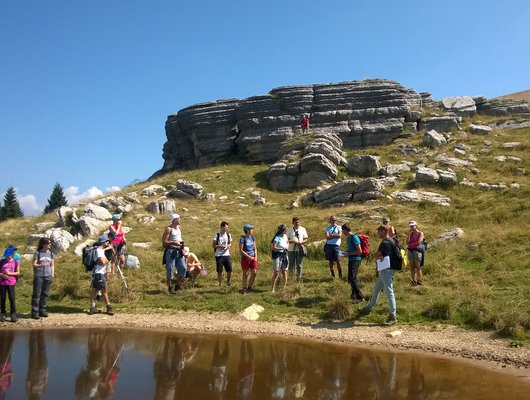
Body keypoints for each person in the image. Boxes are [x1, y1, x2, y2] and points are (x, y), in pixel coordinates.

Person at [358, 225, 398, 325]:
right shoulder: (392, 240)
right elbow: (387, 254)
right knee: (376, 289)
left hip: (386, 270)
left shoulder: (384, 242)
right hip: (389, 268)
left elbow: (377, 254)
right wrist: (380, 256)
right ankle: (368, 308)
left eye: (380, 231)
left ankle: (393, 316)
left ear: (385, 231)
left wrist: (378, 256)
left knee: (389, 291)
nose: (378, 233)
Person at [88, 235, 114, 315]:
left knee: (94, 289)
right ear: (103, 242)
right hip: (99, 273)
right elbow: (102, 262)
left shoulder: (100, 250)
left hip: (96, 273)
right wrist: (106, 260)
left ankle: (93, 307)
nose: (108, 243)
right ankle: (108, 307)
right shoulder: (99, 250)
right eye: (107, 241)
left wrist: (105, 260)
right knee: (104, 290)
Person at [162, 213, 187, 294]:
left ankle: (178, 285)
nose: (180, 220)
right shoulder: (169, 229)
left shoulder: (179, 228)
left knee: (183, 268)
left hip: (179, 250)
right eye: (178, 219)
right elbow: (164, 242)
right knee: (170, 269)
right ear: (174, 220)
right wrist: (174, 243)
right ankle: (170, 287)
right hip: (171, 251)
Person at [31, 237, 55, 320]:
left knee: (45, 294)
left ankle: (42, 310)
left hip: (48, 276)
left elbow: (52, 265)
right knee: (36, 294)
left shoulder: (51, 253)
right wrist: (40, 265)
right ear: (43, 244)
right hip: (39, 275)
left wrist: (52, 274)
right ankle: (35, 312)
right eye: (48, 243)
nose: (50, 245)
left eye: (50, 243)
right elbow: (33, 264)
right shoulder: (37, 253)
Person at [341, 224, 365, 304]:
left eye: (342, 230)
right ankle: (353, 295)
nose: (342, 232)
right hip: (351, 259)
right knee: (350, 278)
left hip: (356, 259)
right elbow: (351, 250)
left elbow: (359, 251)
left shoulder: (354, 237)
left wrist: (348, 254)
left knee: (352, 278)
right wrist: (346, 253)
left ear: (345, 230)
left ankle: (360, 296)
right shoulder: (349, 238)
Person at [0, 247, 19, 322]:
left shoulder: (16, 262)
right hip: (2, 282)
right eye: (6, 255)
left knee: (11, 298)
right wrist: (2, 275)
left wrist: (9, 273)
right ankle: (3, 313)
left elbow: (18, 272)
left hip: (11, 282)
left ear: (12, 254)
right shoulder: (1, 261)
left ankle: (13, 313)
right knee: (2, 298)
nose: (7, 257)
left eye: (9, 255)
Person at [287, 217, 308, 283]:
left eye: (298, 222)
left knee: (299, 265)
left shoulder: (303, 229)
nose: (297, 223)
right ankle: (291, 278)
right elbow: (287, 240)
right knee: (291, 264)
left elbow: (306, 239)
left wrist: (301, 242)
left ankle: (299, 278)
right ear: (293, 223)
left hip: (300, 249)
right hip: (291, 250)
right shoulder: (289, 230)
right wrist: (294, 241)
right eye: (296, 222)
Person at [212, 221, 233, 286]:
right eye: (225, 227)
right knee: (219, 270)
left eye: (227, 227)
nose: (227, 228)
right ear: (222, 227)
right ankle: (220, 283)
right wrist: (220, 246)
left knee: (229, 269)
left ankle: (228, 281)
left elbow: (230, 243)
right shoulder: (217, 235)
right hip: (219, 255)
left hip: (227, 254)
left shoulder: (228, 235)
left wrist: (229, 246)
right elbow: (213, 245)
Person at [240, 224, 258, 294]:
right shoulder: (242, 239)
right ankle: (244, 288)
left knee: (254, 272)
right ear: (247, 230)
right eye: (250, 229)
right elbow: (241, 250)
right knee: (245, 273)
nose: (251, 230)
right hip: (245, 258)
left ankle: (250, 287)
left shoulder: (253, 238)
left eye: (251, 229)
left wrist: (255, 256)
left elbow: (255, 248)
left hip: (253, 257)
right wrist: (248, 257)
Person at [271, 224, 289, 293]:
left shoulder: (285, 236)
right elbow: (274, 247)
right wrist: (282, 248)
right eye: (286, 229)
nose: (287, 230)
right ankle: (273, 288)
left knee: (284, 271)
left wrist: (287, 247)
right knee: (276, 271)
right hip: (277, 255)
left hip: (284, 254)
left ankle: (284, 286)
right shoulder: (277, 237)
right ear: (283, 230)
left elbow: (288, 242)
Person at [406, 221, 425, 286]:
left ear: (416, 226)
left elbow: (419, 242)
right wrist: (409, 234)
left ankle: (419, 280)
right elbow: (407, 242)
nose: (411, 227)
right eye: (410, 226)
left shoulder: (420, 233)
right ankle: (413, 280)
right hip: (410, 251)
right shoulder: (410, 234)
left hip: (417, 251)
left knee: (418, 267)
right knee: (412, 267)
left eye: (412, 226)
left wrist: (410, 244)